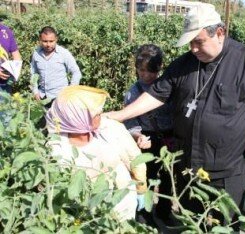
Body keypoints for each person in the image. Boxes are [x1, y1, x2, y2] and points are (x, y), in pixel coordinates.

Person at [104, 2, 245, 228]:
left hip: (227, 170)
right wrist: (120, 115)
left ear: (219, 33)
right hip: (188, 166)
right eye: (190, 43)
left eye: (199, 42)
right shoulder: (183, 65)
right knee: (190, 223)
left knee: (223, 225)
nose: (194, 49)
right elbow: (157, 94)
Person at [46, 85, 147, 221]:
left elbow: (136, 159)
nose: (101, 114)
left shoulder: (111, 128)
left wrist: (141, 188)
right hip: (85, 212)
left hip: (123, 201)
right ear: (76, 119)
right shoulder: (57, 147)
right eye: (96, 114)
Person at [124, 44, 173, 226]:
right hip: (147, 138)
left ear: (160, 67)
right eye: (141, 70)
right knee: (147, 176)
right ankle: (145, 212)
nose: (145, 75)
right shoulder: (134, 91)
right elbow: (130, 119)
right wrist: (137, 136)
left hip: (169, 137)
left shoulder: (167, 86)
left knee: (169, 175)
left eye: (150, 71)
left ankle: (164, 210)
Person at [30, 26, 81, 108]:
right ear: (40, 39)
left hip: (60, 98)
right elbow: (33, 73)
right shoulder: (36, 54)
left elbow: (76, 72)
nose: (48, 44)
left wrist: (70, 91)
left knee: (59, 120)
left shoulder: (63, 53)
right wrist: (35, 92)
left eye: (51, 41)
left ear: (56, 39)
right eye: (45, 41)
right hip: (42, 97)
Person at [0, 19, 21, 95]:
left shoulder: (7, 31)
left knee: (5, 106)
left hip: (4, 83)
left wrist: (16, 70)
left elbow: (16, 54)